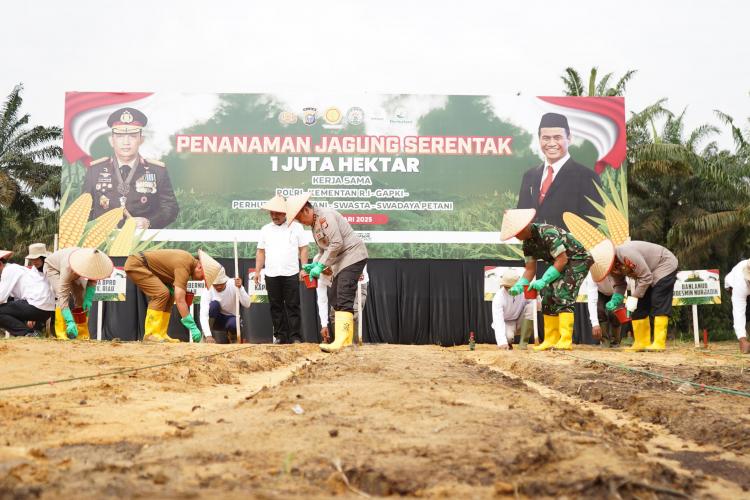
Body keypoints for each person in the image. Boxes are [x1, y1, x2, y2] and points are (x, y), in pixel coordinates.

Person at [500, 208, 613, 351]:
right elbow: (530, 269)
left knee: (563, 293)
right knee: (547, 295)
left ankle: (565, 339)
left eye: (516, 233)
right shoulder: (527, 245)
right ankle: (551, 338)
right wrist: (520, 285)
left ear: (524, 226)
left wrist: (544, 279)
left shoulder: (547, 233)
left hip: (578, 259)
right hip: (561, 263)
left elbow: (562, 259)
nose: (515, 236)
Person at [286, 192, 368, 353]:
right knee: (334, 297)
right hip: (341, 262)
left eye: (300, 219)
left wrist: (320, 266)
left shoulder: (325, 217)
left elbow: (337, 243)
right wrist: (314, 264)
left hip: (353, 256)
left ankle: (343, 340)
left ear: (306, 210)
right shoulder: (314, 225)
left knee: (344, 294)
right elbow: (323, 249)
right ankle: (344, 341)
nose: (300, 222)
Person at [83, 107, 179, 229]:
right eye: (120, 136)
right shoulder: (95, 170)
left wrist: (149, 222)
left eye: (132, 136)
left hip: (141, 241)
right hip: (103, 242)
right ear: (111, 140)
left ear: (141, 140)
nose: (126, 142)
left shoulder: (157, 171)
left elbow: (170, 208)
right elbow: (84, 208)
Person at [516, 112, 602, 228]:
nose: (551, 143)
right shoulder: (529, 176)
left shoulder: (587, 177)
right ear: (539, 139)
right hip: (533, 246)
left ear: (569, 139)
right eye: (546, 138)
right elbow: (522, 219)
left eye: (557, 137)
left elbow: (593, 224)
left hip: (570, 246)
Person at [124, 249, 221, 343]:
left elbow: (176, 295)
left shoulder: (187, 263)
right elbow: (180, 300)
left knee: (170, 296)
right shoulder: (184, 265)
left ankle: (161, 334)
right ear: (199, 267)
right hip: (138, 264)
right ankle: (151, 334)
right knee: (161, 294)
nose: (202, 280)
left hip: (148, 267)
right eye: (204, 277)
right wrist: (192, 326)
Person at [605, 241, 678, 352]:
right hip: (647, 274)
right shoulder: (609, 266)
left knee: (658, 299)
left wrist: (634, 297)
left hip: (664, 264)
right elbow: (620, 284)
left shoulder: (626, 254)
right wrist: (616, 299)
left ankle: (659, 343)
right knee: (639, 306)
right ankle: (641, 342)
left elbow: (646, 277)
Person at [254, 195, 308, 344]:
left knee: (293, 306)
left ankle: (296, 336)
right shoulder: (265, 229)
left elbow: (303, 249)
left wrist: (304, 268)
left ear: (285, 212)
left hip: (291, 273)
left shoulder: (296, 227)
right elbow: (261, 251)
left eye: (277, 213)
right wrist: (258, 271)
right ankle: (280, 336)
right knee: (275, 306)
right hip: (271, 274)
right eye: (272, 213)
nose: (274, 216)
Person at [45, 247, 114, 340]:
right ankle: (62, 334)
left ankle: (82, 333)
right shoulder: (67, 268)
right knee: (61, 296)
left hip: (73, 267)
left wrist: (88, 298)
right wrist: (69, 321)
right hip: (53, 268)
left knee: (80, 296)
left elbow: (92, 281)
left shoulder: (93, 262)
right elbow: (62, 295)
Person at [0, 250, 55, 337]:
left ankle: (28, 333)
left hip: (36, 305)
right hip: (46, 309)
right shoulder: (19, 269)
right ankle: (30, 332)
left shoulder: (8, 270)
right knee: (9, 306)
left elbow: (1, 297)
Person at [316, 266, 368, 343]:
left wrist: (359, 270)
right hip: (338, 287)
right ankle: (340, 344)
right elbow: (322, 300)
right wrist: (324, 325)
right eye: (324, 271)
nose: (327, 272)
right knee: (334, 315)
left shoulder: (343, 258)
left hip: (356, 283)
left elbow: (360, 256)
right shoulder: (319, 275)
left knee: (353, 312)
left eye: (329, 269)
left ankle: (352, 346)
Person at [198, 268, 250, 344]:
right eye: (216, 285)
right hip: (215, 320)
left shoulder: (234, 284)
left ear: (226, 281)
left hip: (231, 319)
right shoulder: (208, 290)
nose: (218, 287)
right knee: (214, 305)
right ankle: (206, 337)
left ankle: (233, 338)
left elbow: (247, 304)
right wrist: (208, 335)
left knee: (234, 323)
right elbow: (203, 314)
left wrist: (241, 288)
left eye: (221, 284)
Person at [491, 268, 535, 350]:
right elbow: (498, 320)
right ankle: (508, 343)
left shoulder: (524, 290)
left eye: (510, 286)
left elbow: (535, 304)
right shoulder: (498, 297)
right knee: (508, 338)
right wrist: (502, 342)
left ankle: (523, 343)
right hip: (506, 322)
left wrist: (536, 295)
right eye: (506, 286)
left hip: (519, 320)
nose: (508, 289)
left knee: (532, 306)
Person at [584, 273, 622, 347]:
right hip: (600, 292)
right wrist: (595, 324)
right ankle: (604, 341)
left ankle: (616, 341)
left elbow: (623, 286)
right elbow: (592, 301)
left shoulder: (618, 270)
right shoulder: (592, 274)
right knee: (599, 311)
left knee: (615, 313)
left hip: (616, 291)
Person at [722, 259, 750, 354]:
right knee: (746, 313)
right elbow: (738, 312)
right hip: (731, 286)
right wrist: (742, 339)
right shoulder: (740, 283)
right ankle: (744, 340)